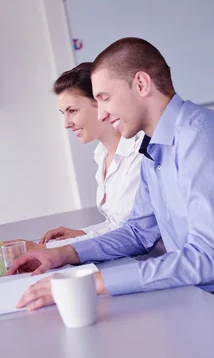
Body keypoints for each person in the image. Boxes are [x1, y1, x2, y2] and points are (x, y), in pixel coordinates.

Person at [9, 37, 214, 310]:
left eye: (105, 98)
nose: (101, 114)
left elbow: (205, 260)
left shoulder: (200, 136)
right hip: (204, 290)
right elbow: (138, 231)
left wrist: (91, 283)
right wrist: (64, 254)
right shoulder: (154, 145)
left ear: (142, 84)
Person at [24, 63, 144, 251]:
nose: (66, 123)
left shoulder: (140, 151)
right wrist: (81, 234)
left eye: (72, 111)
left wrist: (50, 249)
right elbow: (115, 225)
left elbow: (130, 234)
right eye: (63, 113)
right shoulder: (102, 155)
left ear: (101, 103)